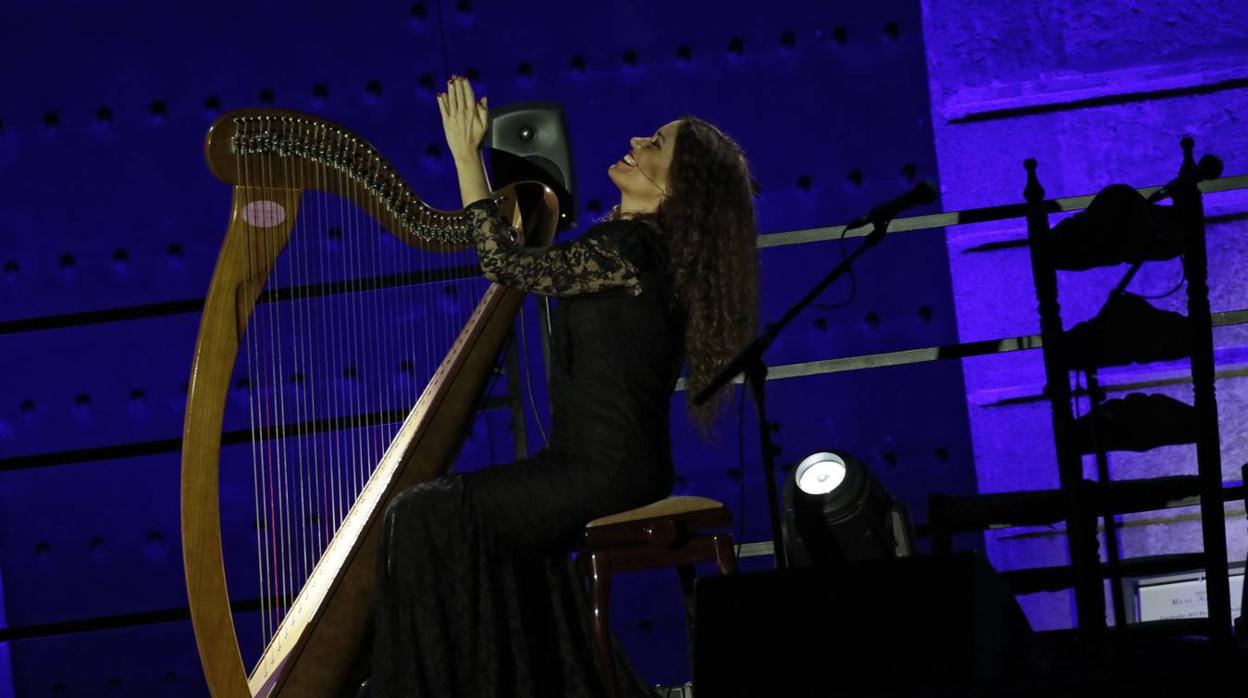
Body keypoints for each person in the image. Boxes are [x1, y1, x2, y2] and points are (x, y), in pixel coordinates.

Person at [370, 75, 759, 697]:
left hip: (601, 470)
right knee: (457, 518)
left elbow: (505, 265)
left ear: (677, 184)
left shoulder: (629, 250)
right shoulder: (638, 251)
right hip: (613, 466)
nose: (637, 139)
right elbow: (527, 267)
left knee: (425, 513)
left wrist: (467, 158)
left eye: (656, 142)